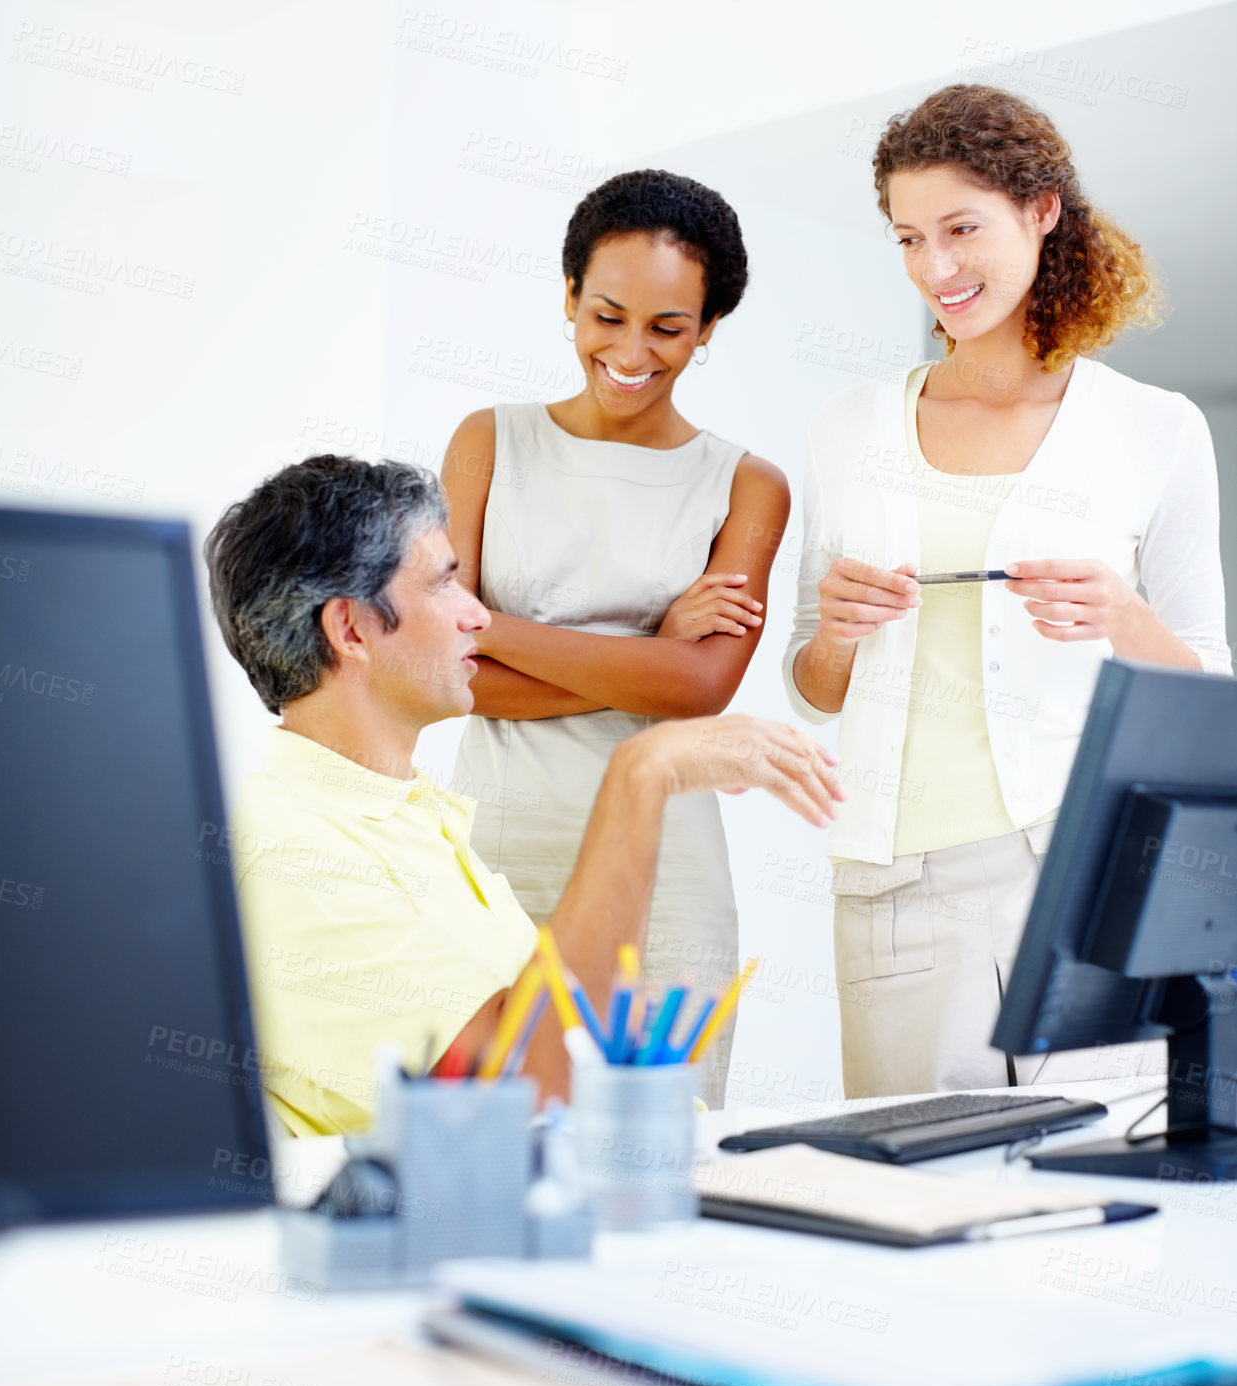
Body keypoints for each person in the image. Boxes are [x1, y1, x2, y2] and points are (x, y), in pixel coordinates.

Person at [783, 83, 1231, 1098]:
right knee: (918, 1201)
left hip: (1085, 865)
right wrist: (838, 635)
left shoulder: (1152, 429)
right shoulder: (846, 428)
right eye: (906, 238)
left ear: (1040, 212)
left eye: (959, 229)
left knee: (1093, 1188)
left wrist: (1121, 617)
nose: (933, 268)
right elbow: (813, 683)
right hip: (900, 882)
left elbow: (1211, 678)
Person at [204, 455, 841, 1137]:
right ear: (352, 630)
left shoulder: (407, 820)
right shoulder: (292, 855)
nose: (477, 612)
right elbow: (529, 1097)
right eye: (445, 583)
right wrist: (640, 772)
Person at [442, 170, 790, 1107]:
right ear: (567, 298)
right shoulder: (488, 441)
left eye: (669, 328)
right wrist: (653, 660)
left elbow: (703, 690)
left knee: (652, 1133)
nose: (631, 350)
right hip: (500, 840)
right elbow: (450, 674)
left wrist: (499, 630)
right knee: (488, 1120)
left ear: (709, 327)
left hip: (665, 857)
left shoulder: (747, 485)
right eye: (607, 315)